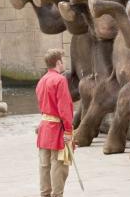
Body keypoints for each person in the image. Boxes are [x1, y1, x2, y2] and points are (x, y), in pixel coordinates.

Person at [36, 49, 74, 197]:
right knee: (59, 166)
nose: (64, 63)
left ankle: (45, 194)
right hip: (58, 129)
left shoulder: (42, 80)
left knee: (44, 165)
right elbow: (65, 109)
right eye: (63, 60)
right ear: (58, 62)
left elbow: (42, 105)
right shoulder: (60, 80)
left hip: (44, 127)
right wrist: (69, 132)